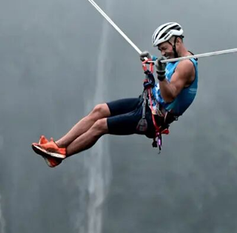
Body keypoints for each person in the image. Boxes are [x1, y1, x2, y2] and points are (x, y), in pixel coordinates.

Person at [32, 22, 198, 166]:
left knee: (100, 125)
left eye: (164, 48)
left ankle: (59, 156)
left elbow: (170, 95)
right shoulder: (174, 58)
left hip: (154, 117)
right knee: (99, 110)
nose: (163, 53)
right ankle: (57, 145)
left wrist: (160, 75)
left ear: (177, 41)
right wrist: (152, 59)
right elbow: (165, 65)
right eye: (160, 50)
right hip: (146, 103)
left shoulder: (186, 66)